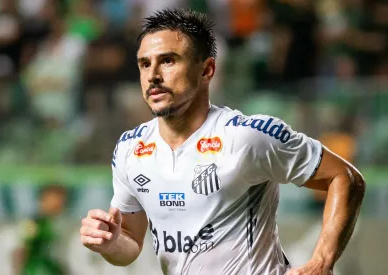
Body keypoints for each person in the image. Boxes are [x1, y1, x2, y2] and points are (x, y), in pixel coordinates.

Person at [79, 9, 365, 275]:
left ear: (207, 70)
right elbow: (129, 245)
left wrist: (322, 261)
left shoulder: (247, 137)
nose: (153, 75)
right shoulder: (131, 148)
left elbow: (345, 177)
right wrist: (109, 242)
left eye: (168, 60)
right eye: (144, 64)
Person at [14, 184, 68, 275]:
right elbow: (21, 252)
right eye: (55, 199)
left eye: (62, 201)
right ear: (43, 200)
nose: (58, 204)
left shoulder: (58, 225)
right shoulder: (33, 223)